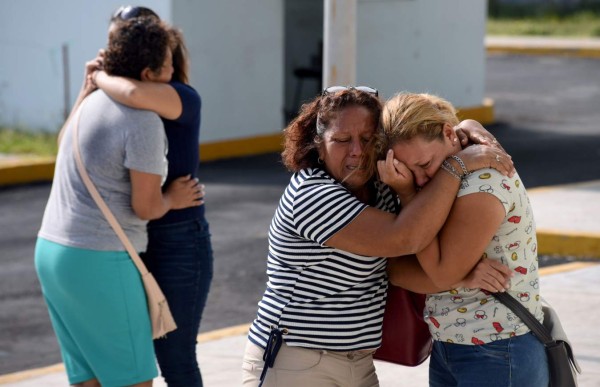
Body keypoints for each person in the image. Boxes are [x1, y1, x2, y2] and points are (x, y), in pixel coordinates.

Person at [242, 86, 515, 387]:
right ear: (319, 145)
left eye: (368, 139)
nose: (357, 151)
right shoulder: (310, 195)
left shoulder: (381, 184)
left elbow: (394, 267)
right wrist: (458, 165)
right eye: (342, 140)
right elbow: (405, 238)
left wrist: (468, 128)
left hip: (357, 362)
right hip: (295, 361)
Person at [35, 17, 203, 387]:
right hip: (99, 259)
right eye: (167, 62)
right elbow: (145, 207)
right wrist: (171, 198)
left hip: (50, 251)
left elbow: (65, 144)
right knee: (133, 381)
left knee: (89, 380)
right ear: (148, 72)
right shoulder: (142, 121)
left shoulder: (91, 102)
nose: (174, 68)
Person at [379, 92, 549, 387]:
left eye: (424, 164)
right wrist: (464, 275)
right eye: (409, 171)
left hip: (498, 350)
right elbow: (398, 272)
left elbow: (440, 272)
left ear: (449, 134)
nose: (419, 180)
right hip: (450, 346)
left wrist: (408, 197)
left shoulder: (482, 182)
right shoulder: (444, 178)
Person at [86, 7, 214, 387]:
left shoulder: (181, 97)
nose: (111, 53)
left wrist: (99, 74)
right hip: (127, 240)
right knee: (132, 356)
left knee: (175, 358)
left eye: (116, 45)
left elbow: (132, 90)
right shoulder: (115, 98)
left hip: (177, 241)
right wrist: (87, 85)